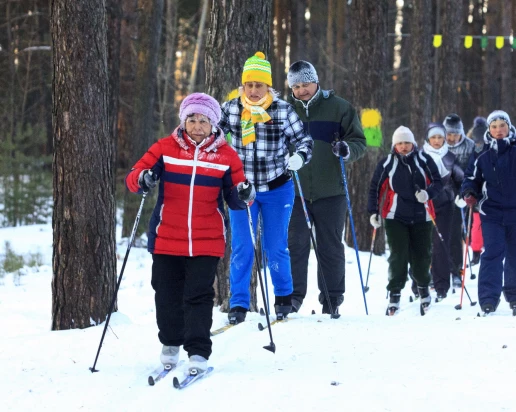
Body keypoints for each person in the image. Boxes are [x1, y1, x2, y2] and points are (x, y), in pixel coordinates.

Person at [125, 93, 249, 374]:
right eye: (191, 119)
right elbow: (135, 176)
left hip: (207, 239)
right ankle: (170, 344)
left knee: (199, 295)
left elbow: (237, 197)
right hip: (167, 236)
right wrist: (142, 178)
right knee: (166, 293)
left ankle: (198, 352)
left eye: (202, 120)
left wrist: (245, 193)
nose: (196, 125)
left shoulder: (226, 155)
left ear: (213, 124)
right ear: (183, 121)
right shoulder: (165, 148)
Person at [219, 52, 313, 324]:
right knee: (243, 248)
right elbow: (211, 135)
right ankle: (238, 303)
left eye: (259, 85)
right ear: (243, 86)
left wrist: (300, 157)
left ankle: (284, 298)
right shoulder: (231, 109)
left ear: (268, 86)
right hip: (242, 190)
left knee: (275, 246)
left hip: (277, 187)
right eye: (249, 85)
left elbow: (304, 141)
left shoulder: (282, 110)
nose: (254, 90)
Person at [285, 60, 366, 314]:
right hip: (295, 190)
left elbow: (358, 142)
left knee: (329, 245)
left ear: (316, 81)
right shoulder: (285, 111)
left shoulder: (339, 107)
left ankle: (331, 298)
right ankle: (293, 296)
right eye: (296, 86)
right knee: (295, 243)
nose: (302, 90)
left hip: (331, 189)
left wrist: (346, 150)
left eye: (305, 84)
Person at [461, 110, 516, 314]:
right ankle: (488, 298)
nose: (499, 130)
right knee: (492, 254)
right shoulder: (481, 151)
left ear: (509, 127)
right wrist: (469, 192)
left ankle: (515, 296)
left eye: (502, 125)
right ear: (489, 130)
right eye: (494, 126)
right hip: (491, 212)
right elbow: (471, 177)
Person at [367, 126, 443, 315]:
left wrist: (428, 194)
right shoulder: (387, 163)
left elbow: (438, 182)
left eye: (407, 142)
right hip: (395, 216)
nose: (403, 146)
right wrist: (373, 212)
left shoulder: (424, 160)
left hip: (422, 216)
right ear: (394, 145)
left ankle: (423, 290)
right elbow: (375, 188)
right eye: (400, 143)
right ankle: (394, 294)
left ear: (413, 143)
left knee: (422, 255)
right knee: (397, 256)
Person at [422, 122, 464, 300]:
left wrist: (463, 194)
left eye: (440, 137)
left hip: (445, 205)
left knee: (441, 244)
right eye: (434, 137)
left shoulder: (450, 158)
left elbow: (462, 179)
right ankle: (420, 282)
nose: (437, 141)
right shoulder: (419, 157)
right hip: (422, 206)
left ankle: (441, 285)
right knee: (422, 244)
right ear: (428, 139)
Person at [443, 113, 475, 286]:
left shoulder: (469, 146)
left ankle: (456, 270)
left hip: (459, 195)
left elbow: (471, 171)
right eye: (449, 134)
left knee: (456, 234)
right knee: (438, 234)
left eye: (455, 134)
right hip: (440, 193)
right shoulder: (438, 143)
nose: (452, 138)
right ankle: (437, 270)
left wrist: (465, 192)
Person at [464, 116, 489, 265]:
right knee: (477, 223)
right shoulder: (483, 137)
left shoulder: (471, 138)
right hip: (478, 189)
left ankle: (476, 251)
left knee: (476, 224)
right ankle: (477, 250)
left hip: (477, 188)